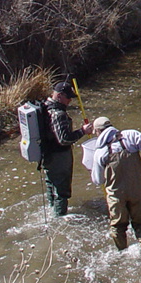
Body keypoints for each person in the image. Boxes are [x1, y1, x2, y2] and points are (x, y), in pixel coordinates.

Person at [89, 116, 141, 255]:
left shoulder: (99, 152)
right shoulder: (130, 135)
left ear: (98, 131)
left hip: (116, 195)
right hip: (138, 190)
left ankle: (122, 253)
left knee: (118, 226)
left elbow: (97, 180)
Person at [41, 80, 93, 217]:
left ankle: (52, 210)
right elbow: (64, 140)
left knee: (50, 183)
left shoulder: (44, 107)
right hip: (59, 157)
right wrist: (83, 131)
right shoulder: (59, 114)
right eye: (68, 97)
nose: (70, 100)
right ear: (59, 96)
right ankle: (59, 216)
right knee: (61, 190)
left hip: (46, 154)